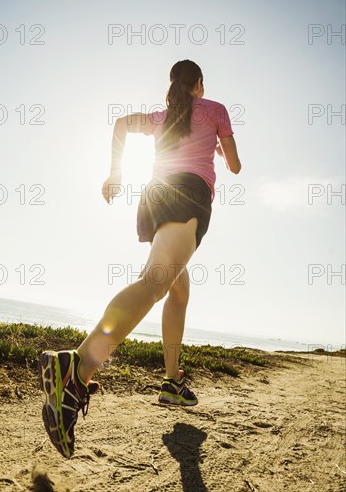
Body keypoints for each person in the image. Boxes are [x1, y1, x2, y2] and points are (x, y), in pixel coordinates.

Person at [38, 59, 242, 459]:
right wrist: (219, 146)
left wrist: (115, 173)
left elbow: (120, 124)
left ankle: (171, 382)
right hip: (189, 196)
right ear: (199, 84)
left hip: (157, 195)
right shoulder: (215, 109)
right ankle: (76, 370)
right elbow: (235, 166)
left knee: (178, 291)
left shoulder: (163, 115)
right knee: (155, 284)